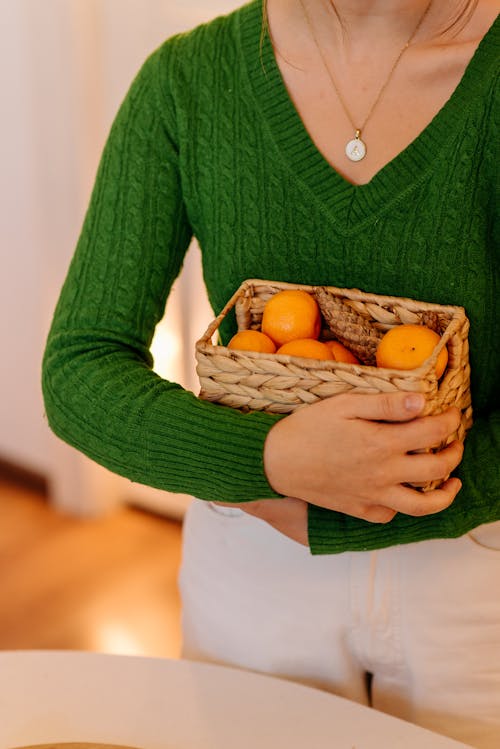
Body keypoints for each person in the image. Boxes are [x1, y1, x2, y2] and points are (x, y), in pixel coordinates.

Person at [42, 0, 499, 746]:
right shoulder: (187, 83)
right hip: (256, 551)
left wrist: (344, 505)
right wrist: (268, 462)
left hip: (476, 562)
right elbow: (80, 369)